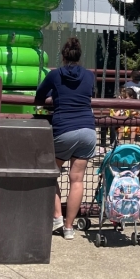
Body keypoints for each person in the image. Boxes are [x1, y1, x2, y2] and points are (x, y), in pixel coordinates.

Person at [34, 37, 96, 240]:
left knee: (50, 173)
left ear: (62, 56)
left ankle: (57, 216)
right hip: (88, 130)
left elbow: (39, 97)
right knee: (77, 180)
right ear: (79, 57)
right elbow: (88, 95)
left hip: (64, 129)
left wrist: (55, 97)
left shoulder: (54, 75)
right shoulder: (89, 75)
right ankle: (69, 228)